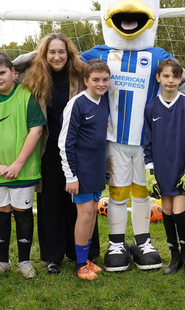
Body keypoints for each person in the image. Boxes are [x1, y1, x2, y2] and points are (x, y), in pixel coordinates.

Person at [18, 33, 99, 275]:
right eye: (51, 52)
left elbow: (100, 75)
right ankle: (54, 256)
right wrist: (37, 55)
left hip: (77, 150)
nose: (57, 56)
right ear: (43, 54)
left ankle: (82, 253)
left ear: (69, 53)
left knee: (79, 202)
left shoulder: (80, 74)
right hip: (48, 149)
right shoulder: (33, 76)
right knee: (51, 202)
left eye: (61, 52)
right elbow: (11, 68)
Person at [0, 51, 46, 279]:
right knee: (0, 213)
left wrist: (17, 163)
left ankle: (24, 261)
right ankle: (1, 262)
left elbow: (36, 130)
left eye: (2, 72)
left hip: (23, 170)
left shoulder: (27, 95)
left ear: (13, 72)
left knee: (23, 212)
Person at [143, 58, 185, 275]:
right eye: (166, 76)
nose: (170, 80)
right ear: (158, 78)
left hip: (181, 168)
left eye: (175, 76)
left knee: (178, 211)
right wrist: (150, 170)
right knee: (166, 211)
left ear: (180, 78)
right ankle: (174, 257)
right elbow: (147, 142)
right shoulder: (151, 107)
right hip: (161, 169)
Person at [58, 59, 110, 280]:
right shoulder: (77, 104)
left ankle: (87, 259)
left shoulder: (104, 100)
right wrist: (71, 176)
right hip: (81, 170)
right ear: (85, 80)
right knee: (85, 214)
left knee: (92, 215)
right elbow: (64, 143)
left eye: (105, 79)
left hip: (97, 168)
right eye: (96, 80)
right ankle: (80, 264)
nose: (101, 84)